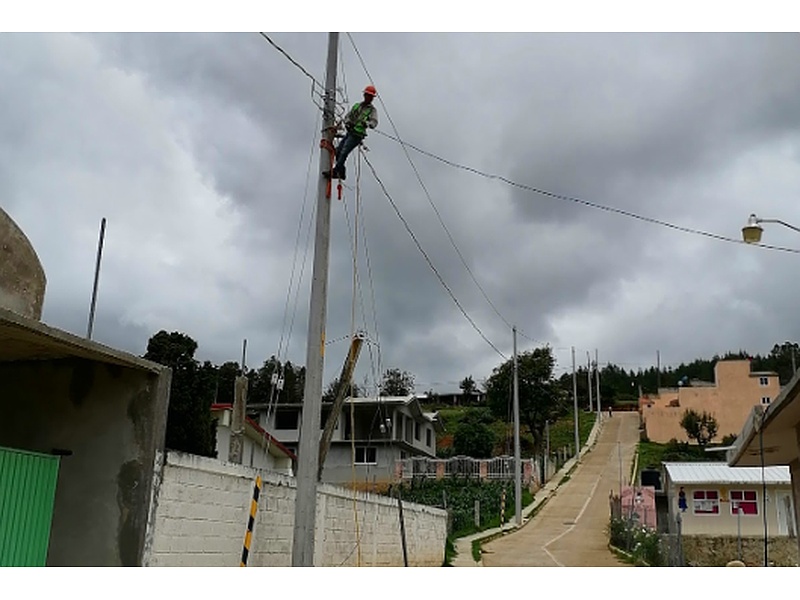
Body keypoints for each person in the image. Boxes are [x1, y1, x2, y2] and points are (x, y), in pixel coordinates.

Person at [325, 85, 378, 180]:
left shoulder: (372, 110)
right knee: (338, 151)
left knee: (344, 152)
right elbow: (348, 116)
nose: (369, 98)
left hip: (357, 135)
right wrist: (348, 123)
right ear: (364, 95)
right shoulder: (357, 106)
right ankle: (341, 172)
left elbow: (374, 123)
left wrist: (366, 123)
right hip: (350, 132)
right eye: (368, 95)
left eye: (371, 96)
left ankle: (336, 171)